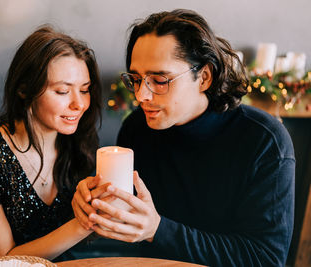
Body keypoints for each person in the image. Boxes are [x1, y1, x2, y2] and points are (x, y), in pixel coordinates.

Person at [72, 9, 295, 267]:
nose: (142, 95)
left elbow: (265, 259)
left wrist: (158, 230)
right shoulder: (137, 128)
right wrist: (94, 204)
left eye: (160, 80)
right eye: (136, 79)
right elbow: (127, 219)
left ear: (204, 77)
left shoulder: (264, 141)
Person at [0, 25, 103, 266]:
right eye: (62, 91)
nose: (79, 104)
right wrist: (83, 223)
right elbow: (4, 259)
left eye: (85, 90)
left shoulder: (76, 142)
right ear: (24, 89)